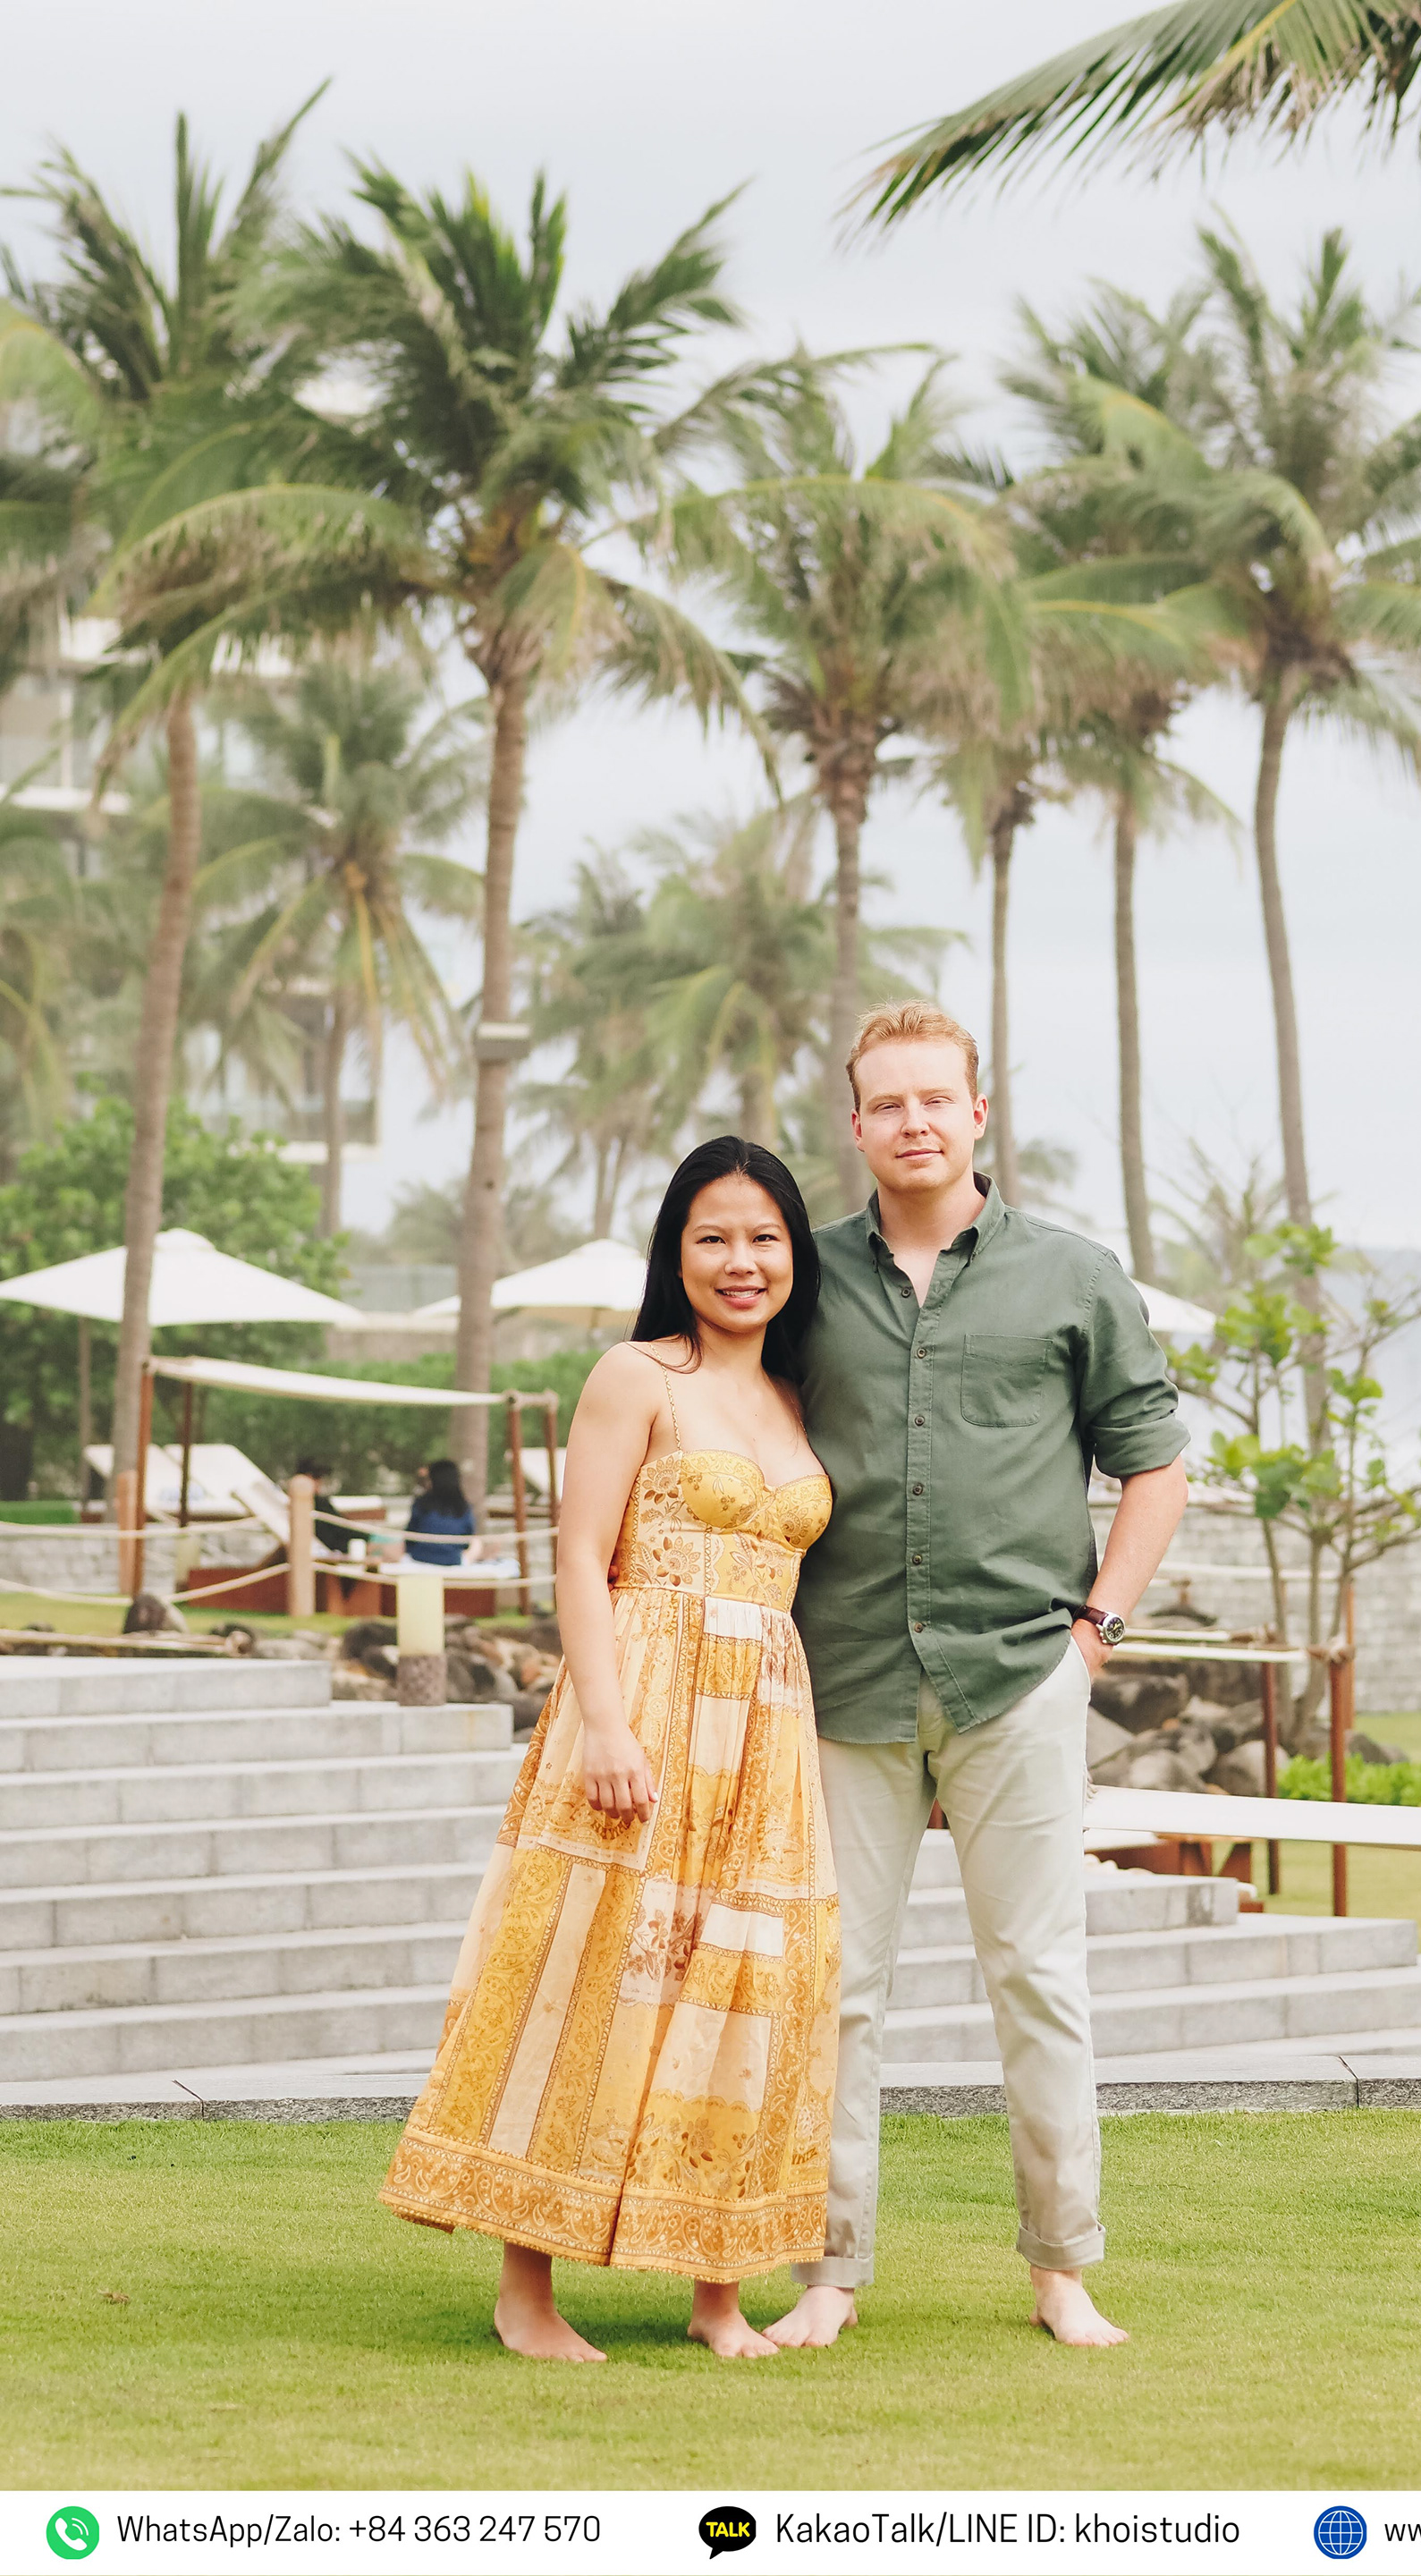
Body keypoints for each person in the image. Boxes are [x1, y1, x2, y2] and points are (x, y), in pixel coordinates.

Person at [767, 1000, 1189, 2354]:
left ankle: (1062, 2267)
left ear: (977, 1113)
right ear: (856, 1125)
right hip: (842, 1677)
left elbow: (1155, 1464)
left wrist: (1096, 1632)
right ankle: (829, 2271)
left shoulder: (1073, 1277)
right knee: (836, 1988)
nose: (913, 1123)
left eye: (934, 1099)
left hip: (1021, 1673)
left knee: (1038, 1977)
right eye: (886, 1104)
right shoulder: (802, 1280)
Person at [380, 1138, 838, 2364]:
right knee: (577, 1974)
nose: (741, 1263)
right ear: (675, 1252)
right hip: (641, 1699)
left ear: (796, 1252)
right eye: (713, 1238)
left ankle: (717, 2290)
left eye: (764, 1239)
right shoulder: (635, 1374)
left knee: (739, 1986)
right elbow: (583, 1557)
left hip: (765, 1735)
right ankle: (524, 2289)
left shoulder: (802, 1396)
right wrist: (607, 1722)